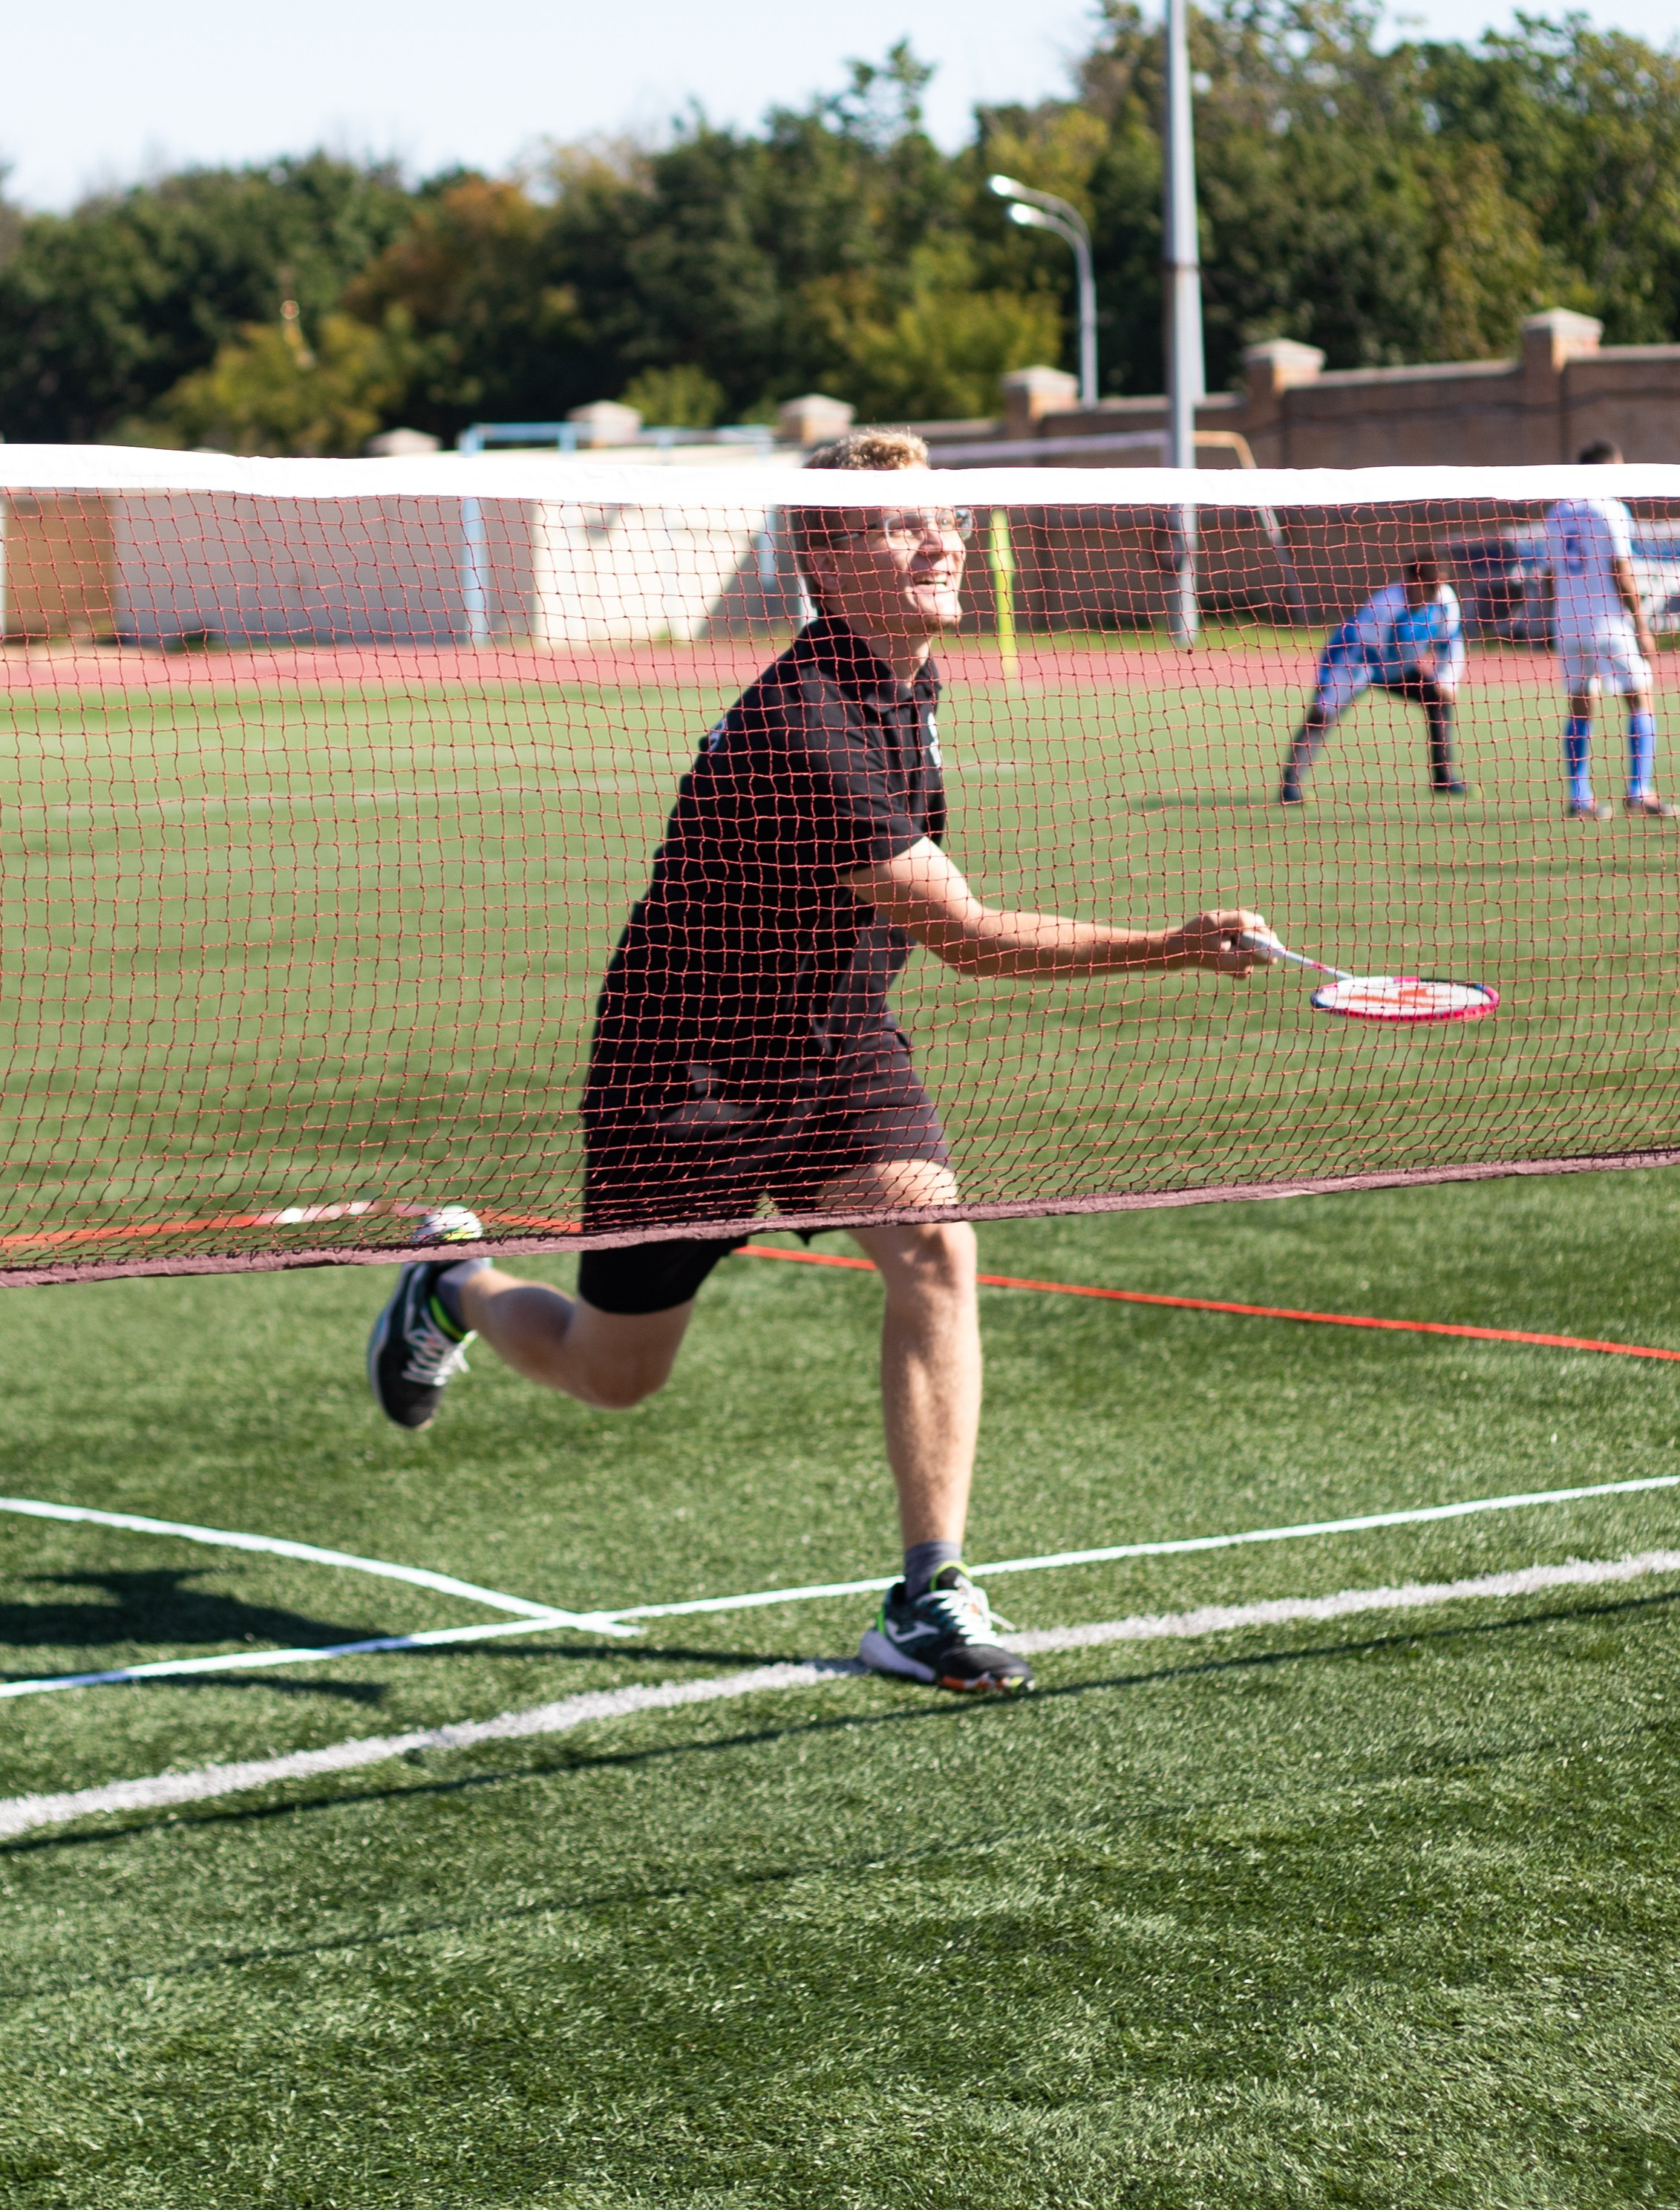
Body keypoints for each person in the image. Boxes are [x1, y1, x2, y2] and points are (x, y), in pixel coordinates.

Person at [366, 430, 1269, 1696]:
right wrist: (1169, 947)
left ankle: (927, 1593)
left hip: (836, 1040)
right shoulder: (804, 729)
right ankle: (450, 1280)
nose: (939, 540)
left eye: (941, 518)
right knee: (612, 1374)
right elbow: (966, 938)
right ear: (824, 558)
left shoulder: (911, 682)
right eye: (899, 526)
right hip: (687, 1073)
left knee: (936, 1245)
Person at [1544, 442, 1676, 820]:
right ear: (1605, 471)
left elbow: (1550, 575)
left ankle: (1580, 797)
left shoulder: (1558, 512)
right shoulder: (1611, 508)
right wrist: (1642, 625)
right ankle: (1638, 791)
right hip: (1608, 623)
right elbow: (1621, 571)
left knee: (1581, 706)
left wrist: (1553, 619)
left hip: (1568, 624)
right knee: (1640, 697)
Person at [1279, 551, 1468, 805]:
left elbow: (1451, 641)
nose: (1432, 590)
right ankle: (1291, 785)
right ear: (1411, 580)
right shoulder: (1386, 604)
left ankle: (1443, 778)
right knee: (1323, 715)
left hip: (1396, 667)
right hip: (1355, 662)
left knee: (1438, 698)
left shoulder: (1445, 601)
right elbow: (1362, 645)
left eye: (1437, 583)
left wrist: (1447, 679)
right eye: (1427, 583)